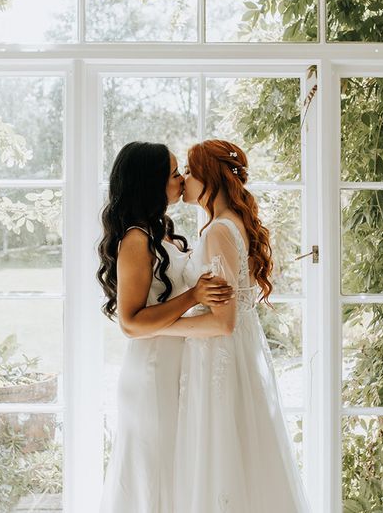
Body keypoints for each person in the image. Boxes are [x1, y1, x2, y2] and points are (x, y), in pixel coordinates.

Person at [152, 139, 310, 513]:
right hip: (235, 355)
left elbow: (223, 323)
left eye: (189, 171)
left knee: (219, 456)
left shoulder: (219, 231)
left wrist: (158, 327)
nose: (184, 180)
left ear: (210, 177)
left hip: (218, 358)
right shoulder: (227, 225)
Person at [97, 141, 233, 513]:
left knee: (176, 477)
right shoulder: (136, 240)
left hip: (176, 366)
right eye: (174, 173)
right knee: (152, 481)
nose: (181, 179)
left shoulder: (162, 233)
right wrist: (192, 297)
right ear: (151, 182)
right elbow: (130, 322)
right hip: (152, 372)